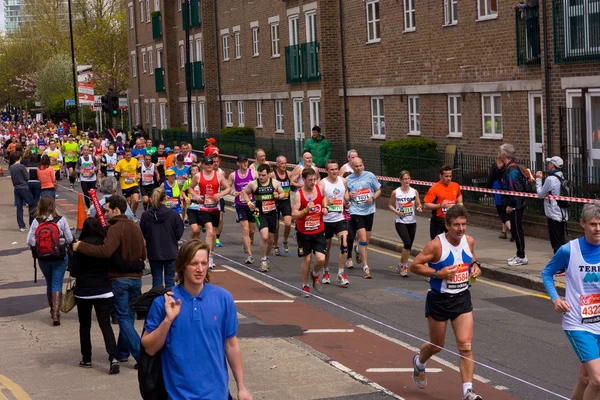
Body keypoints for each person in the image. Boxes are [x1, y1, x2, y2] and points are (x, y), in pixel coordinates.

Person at [141, 240, 253, 400]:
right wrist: (168, 320)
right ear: (182, 265)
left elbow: (231, 344)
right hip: (177, 396)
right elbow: (149, 348)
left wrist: (241, 387)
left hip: (217, 395)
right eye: (194, 264)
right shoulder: (164, 302)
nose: (200, 269)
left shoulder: (223, 298)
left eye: (204, 263)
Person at [409, 205, 483, 400]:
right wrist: (437, 273)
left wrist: (475, 267)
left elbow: (472, 258)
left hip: (462, 298)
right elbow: (414, 266)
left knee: (465, 345)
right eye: (456, 225)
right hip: (439, 300)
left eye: (464, 224)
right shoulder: (436, 245)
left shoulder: (469, 241)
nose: (460, 229)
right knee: (436, 345)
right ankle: (419, 362)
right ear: (447, 225)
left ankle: (468, 391)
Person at [73, 195, 146, 365]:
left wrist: (81, 246)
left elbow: (105, 251)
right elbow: (143, 254)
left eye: (107, 210)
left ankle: (141, 356)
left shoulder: (115, 228)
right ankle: (122, 352)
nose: (105, 214)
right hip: (136, 279)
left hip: (120, 279)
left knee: (123, 318)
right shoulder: (136, 228)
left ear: (116, 210)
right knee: (128, 316)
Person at [541, 203, 600, 400]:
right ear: (582, 224)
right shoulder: (568, 250)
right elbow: (547, 273)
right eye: (593, 224)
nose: (597, 228)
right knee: (598, 380)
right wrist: (555, 298)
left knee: (585, 379)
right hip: (578, 323)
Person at [71, 217, 120, 374]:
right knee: (105, 324)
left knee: (84, 326)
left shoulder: (79, 247)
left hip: (84, 291)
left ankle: (87, 358)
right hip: (104, 289)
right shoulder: (105, 246)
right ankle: (113, 357)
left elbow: (74, 271)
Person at [27, 195, 74, 325]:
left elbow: (30, 241)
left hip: (43, 258)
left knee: (49, 282)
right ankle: (56, 314)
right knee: (57, 283)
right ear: (53, 206)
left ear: (40, 206)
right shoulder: (61, 220)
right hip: (59, 256)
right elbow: (69, 239)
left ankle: (52, 310)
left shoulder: (36, 221)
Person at [188, 156, 231, 268]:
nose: (209, 165)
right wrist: (196, 196)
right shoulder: (198, 176)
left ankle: (211, 254)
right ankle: (207, 258)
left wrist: (219, 195)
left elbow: (228, 188)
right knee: (210, 231)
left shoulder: (218, 175)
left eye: (211, 163)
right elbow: (190, 188)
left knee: (214, 234)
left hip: (215, 208)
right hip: (204, 208)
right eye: (207, 163)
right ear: (203, 165)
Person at [292, 168, 328, 297]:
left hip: (318, 230)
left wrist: (325, 207)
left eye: (314, 179)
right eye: (310, 180)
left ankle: (314, 273)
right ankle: (305, 286)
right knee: (307, 259)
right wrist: (305, 210)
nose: (313, 182)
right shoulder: (299, 195)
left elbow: (324, 198)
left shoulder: (319, 189)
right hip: (303, 232)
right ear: (304, 179)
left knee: (321, 259)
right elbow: (294, 215)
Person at [242, 164, 286, 272]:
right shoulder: (253, 184)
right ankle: (262, 260)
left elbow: (283, 193)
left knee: (271, 240)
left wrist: (278, 196)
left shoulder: (274, 183)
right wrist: (248, 202)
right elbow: (244, 192)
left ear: (268, 174)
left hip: (271, 213)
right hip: (259, 213)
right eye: (260, 175)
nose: (261, 177)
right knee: (265, 237)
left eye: (264, 175)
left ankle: (265, 257)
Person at [140, 187, 184, 289]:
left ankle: (157, 301)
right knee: (170, 279)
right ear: (165, 198)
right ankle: (170, 301)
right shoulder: (173, 214)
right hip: (170, 251)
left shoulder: (146, 215)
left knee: (156, 279)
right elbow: (179, 233)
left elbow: (144, 231)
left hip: (154, 251)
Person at [346, 157, 382, 279]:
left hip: (369, 210)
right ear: (352, 166)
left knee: (366, 241)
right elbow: (344, 196)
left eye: (360, 165)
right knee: (362, 237)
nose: (359, 168)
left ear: (363, 165)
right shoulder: (348, 180)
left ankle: (357, 248)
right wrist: (349, 196)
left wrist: (372, 198)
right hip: (356, 211)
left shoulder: (370, 176)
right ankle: (365, 267)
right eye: (356, 166)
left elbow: (378, 190)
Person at [319, 160, 350, 286]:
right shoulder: (322, 184)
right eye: (332, 169)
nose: (335, 172)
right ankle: (325, 271)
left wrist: (347, 201)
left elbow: (345, 192)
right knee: (326, 248)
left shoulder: (343, 181)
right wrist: (326, 204)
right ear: (327, 170)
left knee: (344, 244)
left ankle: (341, 273)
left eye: (336, 169)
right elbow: (318, 199)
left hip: (340, 218)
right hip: (326, 221)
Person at [498, 143, 529, 266]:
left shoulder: (511, 170)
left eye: (501, 153)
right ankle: (519, 253)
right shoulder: (513, 167)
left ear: (505, 155)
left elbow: (514, 189)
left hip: (517, 205)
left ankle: (521, 256)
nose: (500, 155)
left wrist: (511, 205)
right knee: (515, 230)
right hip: (518, 203)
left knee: (517, 229)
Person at [389, 170, 423, 277]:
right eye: (404, 179)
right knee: (407, 243)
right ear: (400, 180)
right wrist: (396, 212)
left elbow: (418, 204)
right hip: (400, 221)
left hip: (412, 222)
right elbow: (390, 205)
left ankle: (400, 264)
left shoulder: (414, 192)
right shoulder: (396, 192)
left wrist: (419, 207)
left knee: (408, 247)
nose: (406, 181)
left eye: (408, 178)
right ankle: (404, 266)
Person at [536, 156, 568, 254]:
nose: (548, 165)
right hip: (562, 213)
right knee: (561, 241)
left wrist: (538, 180)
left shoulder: (550, 179)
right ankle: (563, 265)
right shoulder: (562, 176)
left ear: (552, 165)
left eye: (549, 163)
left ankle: (560, 266)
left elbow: (540, 194)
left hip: (553, 214)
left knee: (556, 243)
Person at [424, 165, 463, 240]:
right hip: (438, 221)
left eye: (450, 176)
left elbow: (459, 195)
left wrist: (459, 205)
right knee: (437, 245)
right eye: (446, 176)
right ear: (440, 176)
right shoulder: (434, 188)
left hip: (452, 220)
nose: (449, 178)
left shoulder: (455, 186)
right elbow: (426, 205)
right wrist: (441, 205)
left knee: (452, 243)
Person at [229, 154, 256, 264]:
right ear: (238, 163)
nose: (245, 163)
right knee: (245, 229)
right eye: (242, 161)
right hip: (240, 205)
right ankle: (250, 254)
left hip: (252, 204)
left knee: (252, 230)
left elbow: (259, 185)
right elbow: (226, 187)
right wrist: (232, 192)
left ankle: (247, 240)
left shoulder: (253, 174)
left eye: (246, 161)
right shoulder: (233, 175)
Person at [271, 155, 293, 255]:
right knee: (276, 226)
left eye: (285, 163)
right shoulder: (273, 175)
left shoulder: (289, 174)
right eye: (282, 163)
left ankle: (285, 240)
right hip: (275, 203)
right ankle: (275, 244)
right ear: (277, 164)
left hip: (285, 202)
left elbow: (293, 183)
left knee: (288, 223)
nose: (284, 165)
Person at [10, 151, 35, 231]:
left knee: (19, 207)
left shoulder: (11, 167)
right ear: (19, 157)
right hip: (23, 187)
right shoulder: (21, 166)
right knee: (32, 204)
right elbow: (27, 177)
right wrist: (27, 171)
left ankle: (21, 226)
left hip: (16, 187)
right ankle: (32, 223)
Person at [487, 161, 512, 241]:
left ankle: (513, 231)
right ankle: (504, 232)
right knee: (506, 212)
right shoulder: (508, 166)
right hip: (507, 190)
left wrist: (487, 191)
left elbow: (490, 178)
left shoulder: (495, 166)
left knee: (502, 212)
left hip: (498, 190)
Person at [115, 147, 141, 215]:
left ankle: (133, 214)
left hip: (134, 183)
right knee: (128, 203)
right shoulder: (120, 162)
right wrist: (122, 174)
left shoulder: (135, 160)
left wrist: (139, 174)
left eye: (129, 155)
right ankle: (129, 215)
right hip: (125, 185)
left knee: (136, 200)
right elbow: (116, 173)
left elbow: (139, 168)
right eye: (127, 155)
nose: (128, 156)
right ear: (124, 155)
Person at [183, 165, 203, 239]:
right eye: (193, 170)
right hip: (191, 207)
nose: (195, 172)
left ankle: (196, 244)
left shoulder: (202, 181)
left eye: (196, 170)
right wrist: (185, 198)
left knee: (198, 230)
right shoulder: (188, 182)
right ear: (190, 173)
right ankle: (191, 243)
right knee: (195, 229)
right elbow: (182, 191)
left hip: (201, 208)